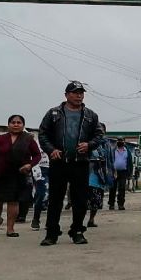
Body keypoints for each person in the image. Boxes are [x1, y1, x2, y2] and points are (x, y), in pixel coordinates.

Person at [37, 80, 104, 246]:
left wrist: (89, 145)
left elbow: (99, 135)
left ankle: (78, 231)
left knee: (80, 199)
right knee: (55, 199)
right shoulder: (54, 113)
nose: (79, 95)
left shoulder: (90, 115)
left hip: (80, 163)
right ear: (66, 95)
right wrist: (51, 150)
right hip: (59, 162)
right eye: (75, 92)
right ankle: (51, 233)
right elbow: (43, 134)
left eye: (81, 93)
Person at [0, 114, 40, 238]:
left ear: (23, 125)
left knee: (13, 201)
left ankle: (10, 228)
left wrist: (30, 165)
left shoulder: (28, 139)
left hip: (18, 174)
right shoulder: (0, 139)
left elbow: (37, 155)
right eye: (13, 122)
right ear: (9, 125)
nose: (16, 124)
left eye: (19, 122)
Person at [86, 124, 113, 228]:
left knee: (96, 199)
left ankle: (91, 220)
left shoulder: (106, 144)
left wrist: (111, 172)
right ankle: (79, 221)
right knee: (85, 199)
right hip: (88, 173)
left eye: (101, 131)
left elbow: (110, 160)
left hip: (100, 175)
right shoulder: (88, 142)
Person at [30, 137, 50, 230]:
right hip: (41, 169)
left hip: (55, 168)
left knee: (53, 196)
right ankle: (36, 218)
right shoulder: (38, 143)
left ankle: (50, 221)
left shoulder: (59, 139)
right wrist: (37, 175)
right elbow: (34, 158)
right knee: (41, 194)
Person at [108, 138, 131, 210]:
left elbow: (130, 163)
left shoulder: (127, 151)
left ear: (124, 142)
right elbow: (110, 160)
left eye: (121, 141)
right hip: (114, 172)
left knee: (122, 188)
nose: (120, 142)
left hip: (123, 172)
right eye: (119, 141)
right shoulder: (113, 150)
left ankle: (121, 204)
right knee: (112, 188)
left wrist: (129, 173)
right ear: (117, 142)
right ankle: (111, 204)